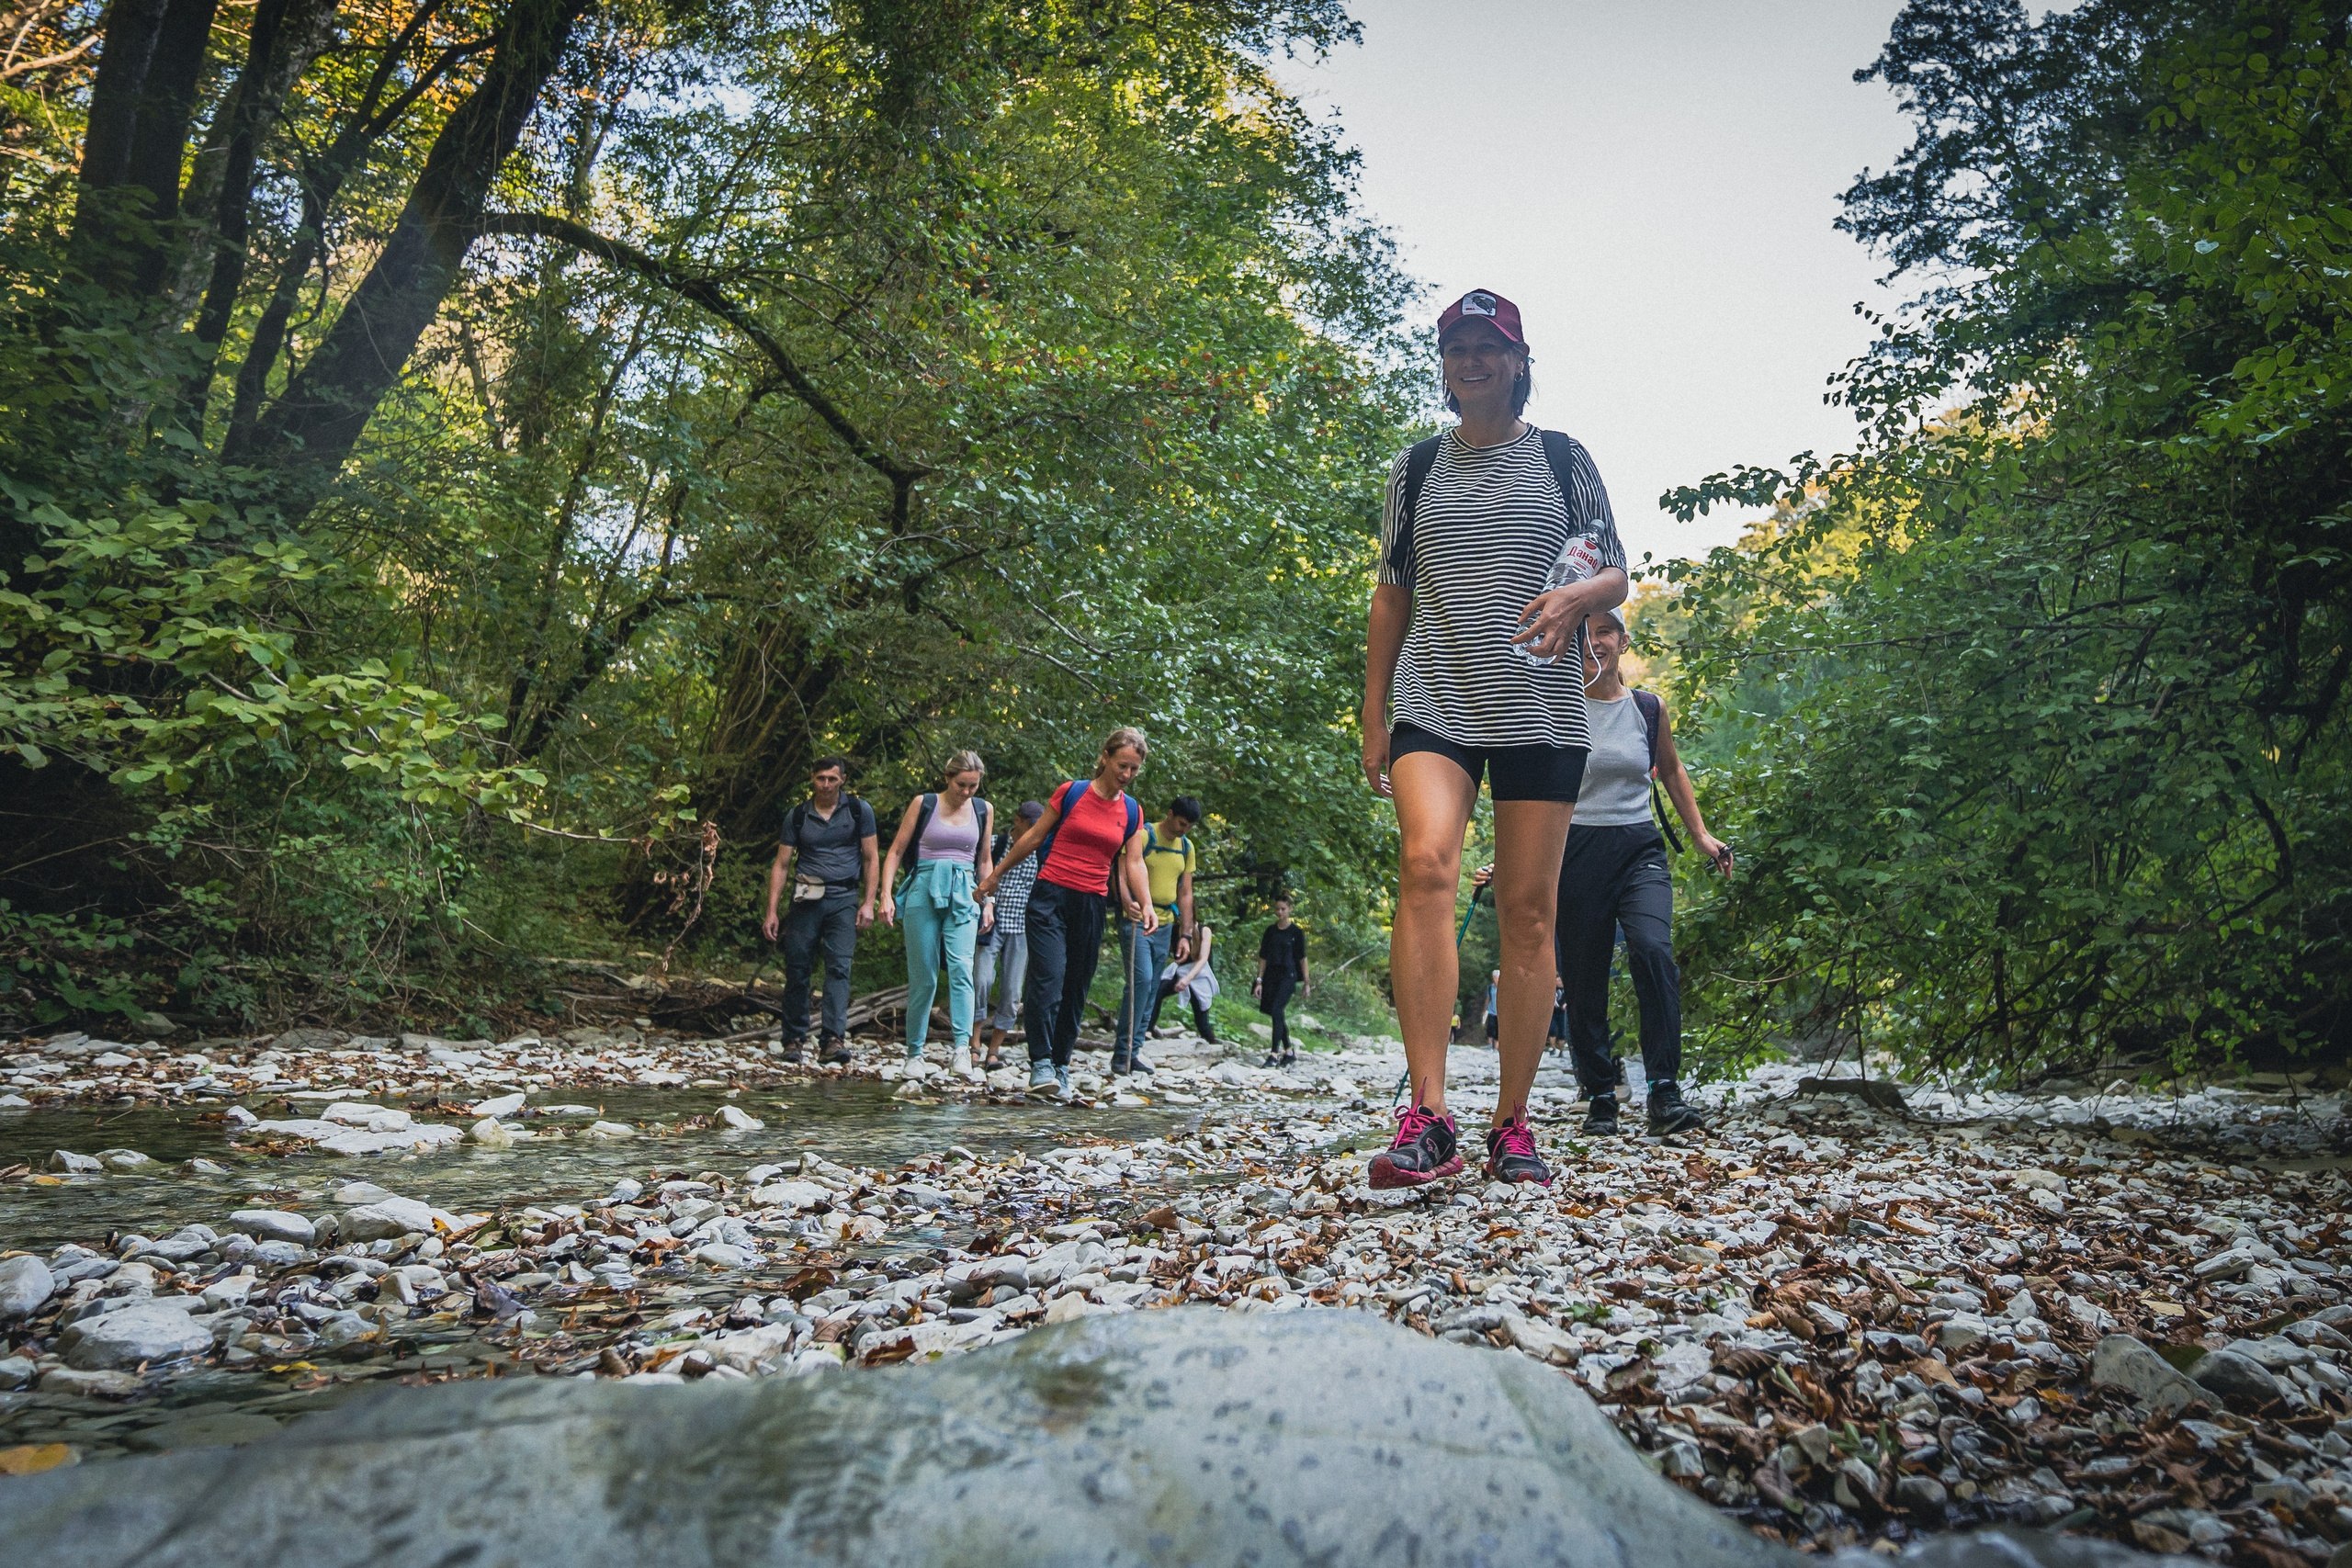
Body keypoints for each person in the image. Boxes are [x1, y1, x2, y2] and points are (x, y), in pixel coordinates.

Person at [1360, 286, 1628, 1189]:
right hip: (1434, 695)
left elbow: (1614, 571)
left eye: (1489, 346)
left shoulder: (1562, 459)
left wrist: (1573, 596)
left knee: (1526, 909)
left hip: (1539, 707)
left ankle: (1511, 1124)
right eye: (1456, 346)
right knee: (1428, 863)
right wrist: (1371, 710)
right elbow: (1392, 589)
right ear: (1445, 365)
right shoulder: (1416, 469)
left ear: (1518, 362)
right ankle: (1427, 1113)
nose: (1472, 360)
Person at [1559, 606, 1733, 1136]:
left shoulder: (1648, 709)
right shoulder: (1556, 706)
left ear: (1623, 640)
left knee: (1654, 952)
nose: (1594, 642)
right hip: (1574, 851)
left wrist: (1702, 835)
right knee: (1584, 977)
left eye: (1604, 632)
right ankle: (1600, 1094)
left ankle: (1663, 1090)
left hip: (1639, 848)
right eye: (1584, 634)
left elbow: (1673, 770)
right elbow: (1533, 793)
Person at [978, 728, 1157, 1100]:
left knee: (1076, 985)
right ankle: (1040, 1062)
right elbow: (1034, 836)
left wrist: (1147, 903)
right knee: (1049, 976)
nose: (1126, 774)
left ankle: (1061, 1064)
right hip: (1050, 895)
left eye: (1134, 769)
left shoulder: (1131, 810)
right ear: (1105, 757)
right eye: (1122, 765)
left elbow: (1134, 861)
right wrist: (997, 874)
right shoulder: (1071, 792)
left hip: (1091, 903)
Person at [876, 752, 995, 1076]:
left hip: (965, 892)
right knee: (924, 975)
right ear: (947, 777)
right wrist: (885, 895)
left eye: (974, 786)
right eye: (961, 785)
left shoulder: (983, 810)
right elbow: (897, 851)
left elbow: (984, 860)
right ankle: (915, 1053)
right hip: (924, 889)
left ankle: (961, 1049)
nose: (967, 792)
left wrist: (989, 902)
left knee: (961, 968)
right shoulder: (923, 803)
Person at [761, 756, 878, 1065]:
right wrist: (772, 911)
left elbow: (870, 858)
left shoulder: (858, 810)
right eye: (820, 779)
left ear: (843, 780)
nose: (826, 785)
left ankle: (832, 1039)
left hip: (844, 897)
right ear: (812, 779)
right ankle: (793, 1041)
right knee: (798, 968)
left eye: (832, 779)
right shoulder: (798, 816)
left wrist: (869, 902)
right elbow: (782, 864)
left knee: (839, 968)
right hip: (805, 898)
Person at [1114, 795, 1201, 1077]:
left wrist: (1185, 935)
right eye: (1181, 823)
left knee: (1152, 985)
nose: (1183, 830)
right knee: (1140, 980)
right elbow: (1122, 871)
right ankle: (1121, 1054)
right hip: (1137, 921)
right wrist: (1126, 901)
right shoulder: (1144, 834)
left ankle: (1134, 1052)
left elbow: (1186, 893)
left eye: (1189, 827)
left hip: (1165, 925)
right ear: (1170, 813)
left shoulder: (1186, 848)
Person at [973, 799, 1045, 1071]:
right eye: (1031, 825)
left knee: (1013, 991)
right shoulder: (995, 844)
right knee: (981, 980)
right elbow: (978, 874)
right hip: (991, 924)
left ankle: (994, 1050)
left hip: (1022, 927)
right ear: (1018, 821)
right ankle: (975, 1044)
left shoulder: (1040, 850)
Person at [1252, 897, 1308, 1067]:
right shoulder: (1270, 931)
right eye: (1277, 909)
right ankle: (1289, 1052)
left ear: (1290, 909)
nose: (1280, 912)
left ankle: (1273, 1054)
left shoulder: (1296, 933)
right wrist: (1259, 980)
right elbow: (1263, 957)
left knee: (1277, 1009)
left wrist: (1307, 982)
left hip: (1288, 976)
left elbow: (1302, 959)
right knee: (1275, 1013)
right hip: (1271, 975)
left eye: (1283, 909)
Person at [1152, 919, 1219, 1043]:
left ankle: (1212, 1042)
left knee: (1201, 1020)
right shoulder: (1173, 930)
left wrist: (1187, 979)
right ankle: (1147, 1029)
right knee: (1157, 991)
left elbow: (1203, 959)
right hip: (1180, 971)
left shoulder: (1204, 930)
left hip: (1200, 975)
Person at [1481, 969, 1500, 1045]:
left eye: (1496, 977)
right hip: (1491, 1011)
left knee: (1497, 1031)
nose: (1494, 979)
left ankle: (1496, 1046)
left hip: (1500, 1012)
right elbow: (1488, 999)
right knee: (1490, 1028)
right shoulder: (1490, 987)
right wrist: (1484, 1010)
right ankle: (1489, 1045)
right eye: (1494, 977)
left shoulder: (1503, 988)